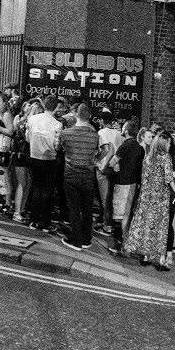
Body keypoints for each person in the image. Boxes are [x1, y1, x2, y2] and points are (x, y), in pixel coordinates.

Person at [124, 131, 175, 270]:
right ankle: (160, 260)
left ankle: (145, 256)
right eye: (168, 143)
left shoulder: (148, 157)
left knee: (146, 225)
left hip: (146, 196)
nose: (169, 145)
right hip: (160, 198)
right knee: (160, 228)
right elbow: (168, 179)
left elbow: (144, 177)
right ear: (164, 143)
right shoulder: (165, 157)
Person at [59, 103, 99, 251]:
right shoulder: (95, 135)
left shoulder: (66, 133)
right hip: (88, 175)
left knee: (74, 209)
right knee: (87, 208)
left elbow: (58, 148)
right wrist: (95, 160)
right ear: (89, 117)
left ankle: (76, 240)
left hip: (71, 174)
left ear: (77, 115)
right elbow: (103, 150)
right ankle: (87, 239)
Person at [106, 119, 145, 254]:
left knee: (121, 216)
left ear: (126, 131)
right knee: (126, 215)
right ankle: (123, 245)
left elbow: (112, 162)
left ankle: (123, 247)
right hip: (133, 183)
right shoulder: (139, 148)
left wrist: (115, 165)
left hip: (123, 183)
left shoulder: (125, 145)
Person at [26, 95, 63, 233]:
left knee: (36, 189)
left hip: (34, 157)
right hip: (49, 159)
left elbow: (27, 138)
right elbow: (57, 146)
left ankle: (34, 220)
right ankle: (45, 222)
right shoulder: (57, 124)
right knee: (47, 191)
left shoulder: (32, 119)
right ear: (55, 108)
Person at [94, 110, 123, 236]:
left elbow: (106, 150)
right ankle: (105, 221)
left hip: (104, 167)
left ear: (101, 121)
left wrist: (97, 160)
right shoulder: (118, 134)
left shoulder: (101, 132)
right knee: (110, 197)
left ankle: (107, 226)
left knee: (105, 198)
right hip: (115, 167)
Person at [0, 92, 15, 214]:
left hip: (2, 149)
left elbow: (10, 131)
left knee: (3, 175)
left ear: (5, 103)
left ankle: (7, 203)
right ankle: (2, 200)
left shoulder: (6, 115)